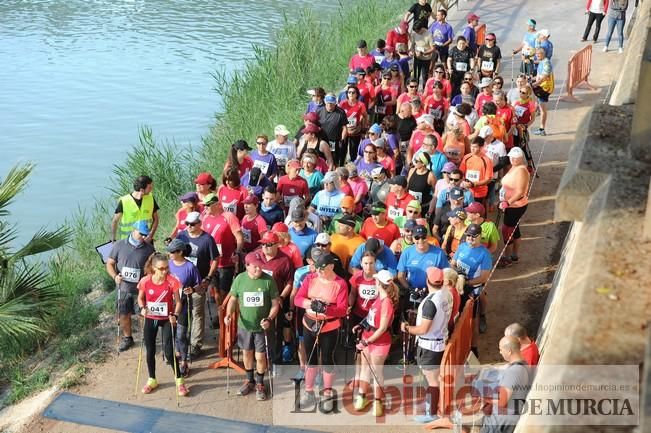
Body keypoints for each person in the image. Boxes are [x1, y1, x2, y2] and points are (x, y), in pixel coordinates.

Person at [295, 253, 348, 412]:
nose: (318, 272)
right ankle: (309, 391)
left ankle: (327, 393)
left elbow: (342, 309)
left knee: (327, 359)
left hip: (329, 326)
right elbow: (297, 299)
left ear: (331, 266)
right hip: (309, 322)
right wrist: (310, 304)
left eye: (322, 269)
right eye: (316, 268)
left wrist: (326, 308)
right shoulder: (310, 278)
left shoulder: (340, 284)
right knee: (310, 358)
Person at [400, 267, 452, 423]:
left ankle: (432, 412)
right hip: (438, 341)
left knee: (433, 381)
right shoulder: (446, 294)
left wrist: (407, 328)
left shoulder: (431, 302)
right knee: (432, 379)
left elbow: (423, 329)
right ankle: (430, 404)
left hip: (429, 346)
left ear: (427, 281)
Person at [225, 254, 280, 401]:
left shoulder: (268, 280)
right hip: (245, 325)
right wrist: (228, 314)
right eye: (255, 266)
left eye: (260, 265)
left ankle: (260, 383)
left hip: (262, 327)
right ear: (247, 265)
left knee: (260, 356)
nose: (258, 268)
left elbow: (275, 304)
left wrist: (269, 319)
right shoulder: (240, 279)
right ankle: (249, 380)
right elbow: (232, 299)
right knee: (247, 353)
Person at [137, 252, 187, 396]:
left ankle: (180, 381)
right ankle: (152, 379)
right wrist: (142, 308)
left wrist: (175, 315)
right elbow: (141, 299)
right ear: (153, 268)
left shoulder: (172, 281)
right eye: (161, 268)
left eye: (166, 268)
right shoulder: (145, 281)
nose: (164, 271)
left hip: (167, 319)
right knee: (150, 351)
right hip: (151, 318)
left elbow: (178, 302)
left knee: (169, 352)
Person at [352, 269, 398, 417]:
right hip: (369, 337)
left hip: (378, 342)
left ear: (379, 283)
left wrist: (366, 341)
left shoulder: (387, 303)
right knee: (366, 369)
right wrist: (361, 324)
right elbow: (371, 317)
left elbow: (383, 328)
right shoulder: (380, 298)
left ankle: (377, 403)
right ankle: (362, 398)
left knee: (376, 371)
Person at [106, 221, 156, 352]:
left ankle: (146, 338)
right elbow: (110, 263)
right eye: (141, 234)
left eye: (146, 234)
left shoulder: (149, 248)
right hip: (124, 288)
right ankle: (128, 338)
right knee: (123, 314)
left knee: (143, 314)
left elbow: (152, 267)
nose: (144, 237)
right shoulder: (119, 245)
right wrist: (115, 276)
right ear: (134, 230)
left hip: (141, 289)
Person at [175, 211, 219, 357]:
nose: (189, 227)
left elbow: (215, 260)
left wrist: (208, 278)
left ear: (200, 224)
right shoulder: (181, 235)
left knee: (197, 314)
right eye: (187, 224)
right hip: (181, 283)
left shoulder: (207, 239)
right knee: (181, 312)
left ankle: (195, 344)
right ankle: (181, 339)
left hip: (198, 283)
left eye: (192, 224)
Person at [451, 223, 492, 355]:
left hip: (473, 290)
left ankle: (474, 348)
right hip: (458, 286)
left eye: (474, 237)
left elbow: (484, 277)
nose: (470, 239)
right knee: (456, 317)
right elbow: (453, 263)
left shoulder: (485, 254)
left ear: (480, 237)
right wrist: (456, 274)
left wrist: (468, 282)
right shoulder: (462, 246)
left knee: (472, 322)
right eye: (468, 236)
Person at [479, 336, 531, 433]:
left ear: (509, 351)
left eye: (501, 349)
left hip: (500, 422)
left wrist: (484, 397)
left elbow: (502, 402)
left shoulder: (513, 372)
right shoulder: (524, 364)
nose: (500, 352)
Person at [166, 239, 201, 377]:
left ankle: (184, 361)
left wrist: (192, 289)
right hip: (169, 304)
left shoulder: (190, 267)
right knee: (172, 332)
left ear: (180, 252)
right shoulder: (167, 265)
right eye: (168, 251)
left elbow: (200, 287)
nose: (169, 254)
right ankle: (177, 353)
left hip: (184, 306)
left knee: (181, 334)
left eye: (172, 252)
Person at [498, 147, 531, 267]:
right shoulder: (514, 167)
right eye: (511, 157)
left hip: (515, 205)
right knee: (514, 229)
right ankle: (514, 255)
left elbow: (520, 192)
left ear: (520, 158)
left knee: (507, 230)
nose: (512, 159)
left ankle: (508, 257)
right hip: (510, 205)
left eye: (515, 158)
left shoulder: (521, 170)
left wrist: (508, 202)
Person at [111, 175, 159, 242]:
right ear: (142, 190)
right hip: (128, 242)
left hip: (146, 241)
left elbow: (156, 219)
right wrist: (113, 238)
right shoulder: (124, 201)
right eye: (149, 187)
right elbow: (115, 221)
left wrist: (150, 236)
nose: (151, 189)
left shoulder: (150, 198)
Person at [460, 137, 494, 206]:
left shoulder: (487, 160)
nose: (472, 149)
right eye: (471, 146)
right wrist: (463, 181)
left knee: (478, 214)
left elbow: (488, 179)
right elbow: (461, 172)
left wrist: (474, 184)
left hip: (480, 194)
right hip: (466, 191)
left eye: (475, 147)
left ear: (481, 147)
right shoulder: (466, 157)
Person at [318, 93, 349, 167]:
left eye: (331, 104)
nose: (329, 105)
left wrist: (342, 139)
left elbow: (344, 127)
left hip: (334, 142)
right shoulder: (319, 111)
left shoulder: (341, 113)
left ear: (335, 103)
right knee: (321, 161)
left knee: (334, 161)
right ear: (325, 102)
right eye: (328, 103)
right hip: (322, 141)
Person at [339, 86, 368, 162]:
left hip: (355, 131)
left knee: (353, 153)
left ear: (356, 94)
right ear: (347, 94)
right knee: (342, 151)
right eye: (349, 92)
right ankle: (341, 167)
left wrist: (364, 130)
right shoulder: (342, 104)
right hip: (344, 131)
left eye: (353, 92)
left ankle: (353, 169)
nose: (351, 94)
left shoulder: (360, 105)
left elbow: (365, 116)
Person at [531, 47, 554, 137]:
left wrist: (535, 84)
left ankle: (542, 129)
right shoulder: (542, 62)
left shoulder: (546, 63)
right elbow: (538, 76)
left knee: (543, 110)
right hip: (541, 86)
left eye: (538, 54)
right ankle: (541, 127)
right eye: (536, 54)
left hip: (545, 88)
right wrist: (531, 78)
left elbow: (544, 77)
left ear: (542, 54)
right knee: (541, 108)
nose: (536, 56)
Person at [410, 21, 436, 90]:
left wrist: (424, 53)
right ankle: (415, 90)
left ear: (421, 29)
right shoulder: (414, 34)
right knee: (415, 76)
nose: (416, 33)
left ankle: (425, 91)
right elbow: (412, 45)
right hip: (417, 57)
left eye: (417, 31)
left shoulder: (429, 34)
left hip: (426, 59)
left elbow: (433, 48)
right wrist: (413, 51)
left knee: (424, 76)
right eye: (415, 31)